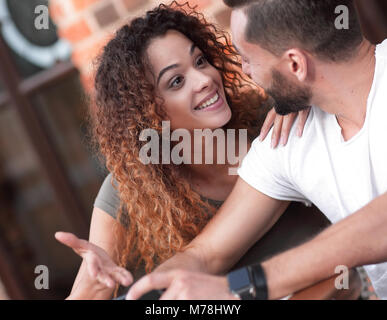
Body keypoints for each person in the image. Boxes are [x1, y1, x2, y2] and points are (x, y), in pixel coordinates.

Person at [125, 0, 387, 300]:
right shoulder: (288, 139)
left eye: (247, 58)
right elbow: (206, 254)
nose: (242, 71)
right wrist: (149, 296)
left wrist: (250, 284)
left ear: (295, 65)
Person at [54, 2, 314, 300]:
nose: (205, 80)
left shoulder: (271, 121)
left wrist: (297, 98)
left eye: (201, 61)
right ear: (147, 114)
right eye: (176, 81)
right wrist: (97, 287)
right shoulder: (131, 188)